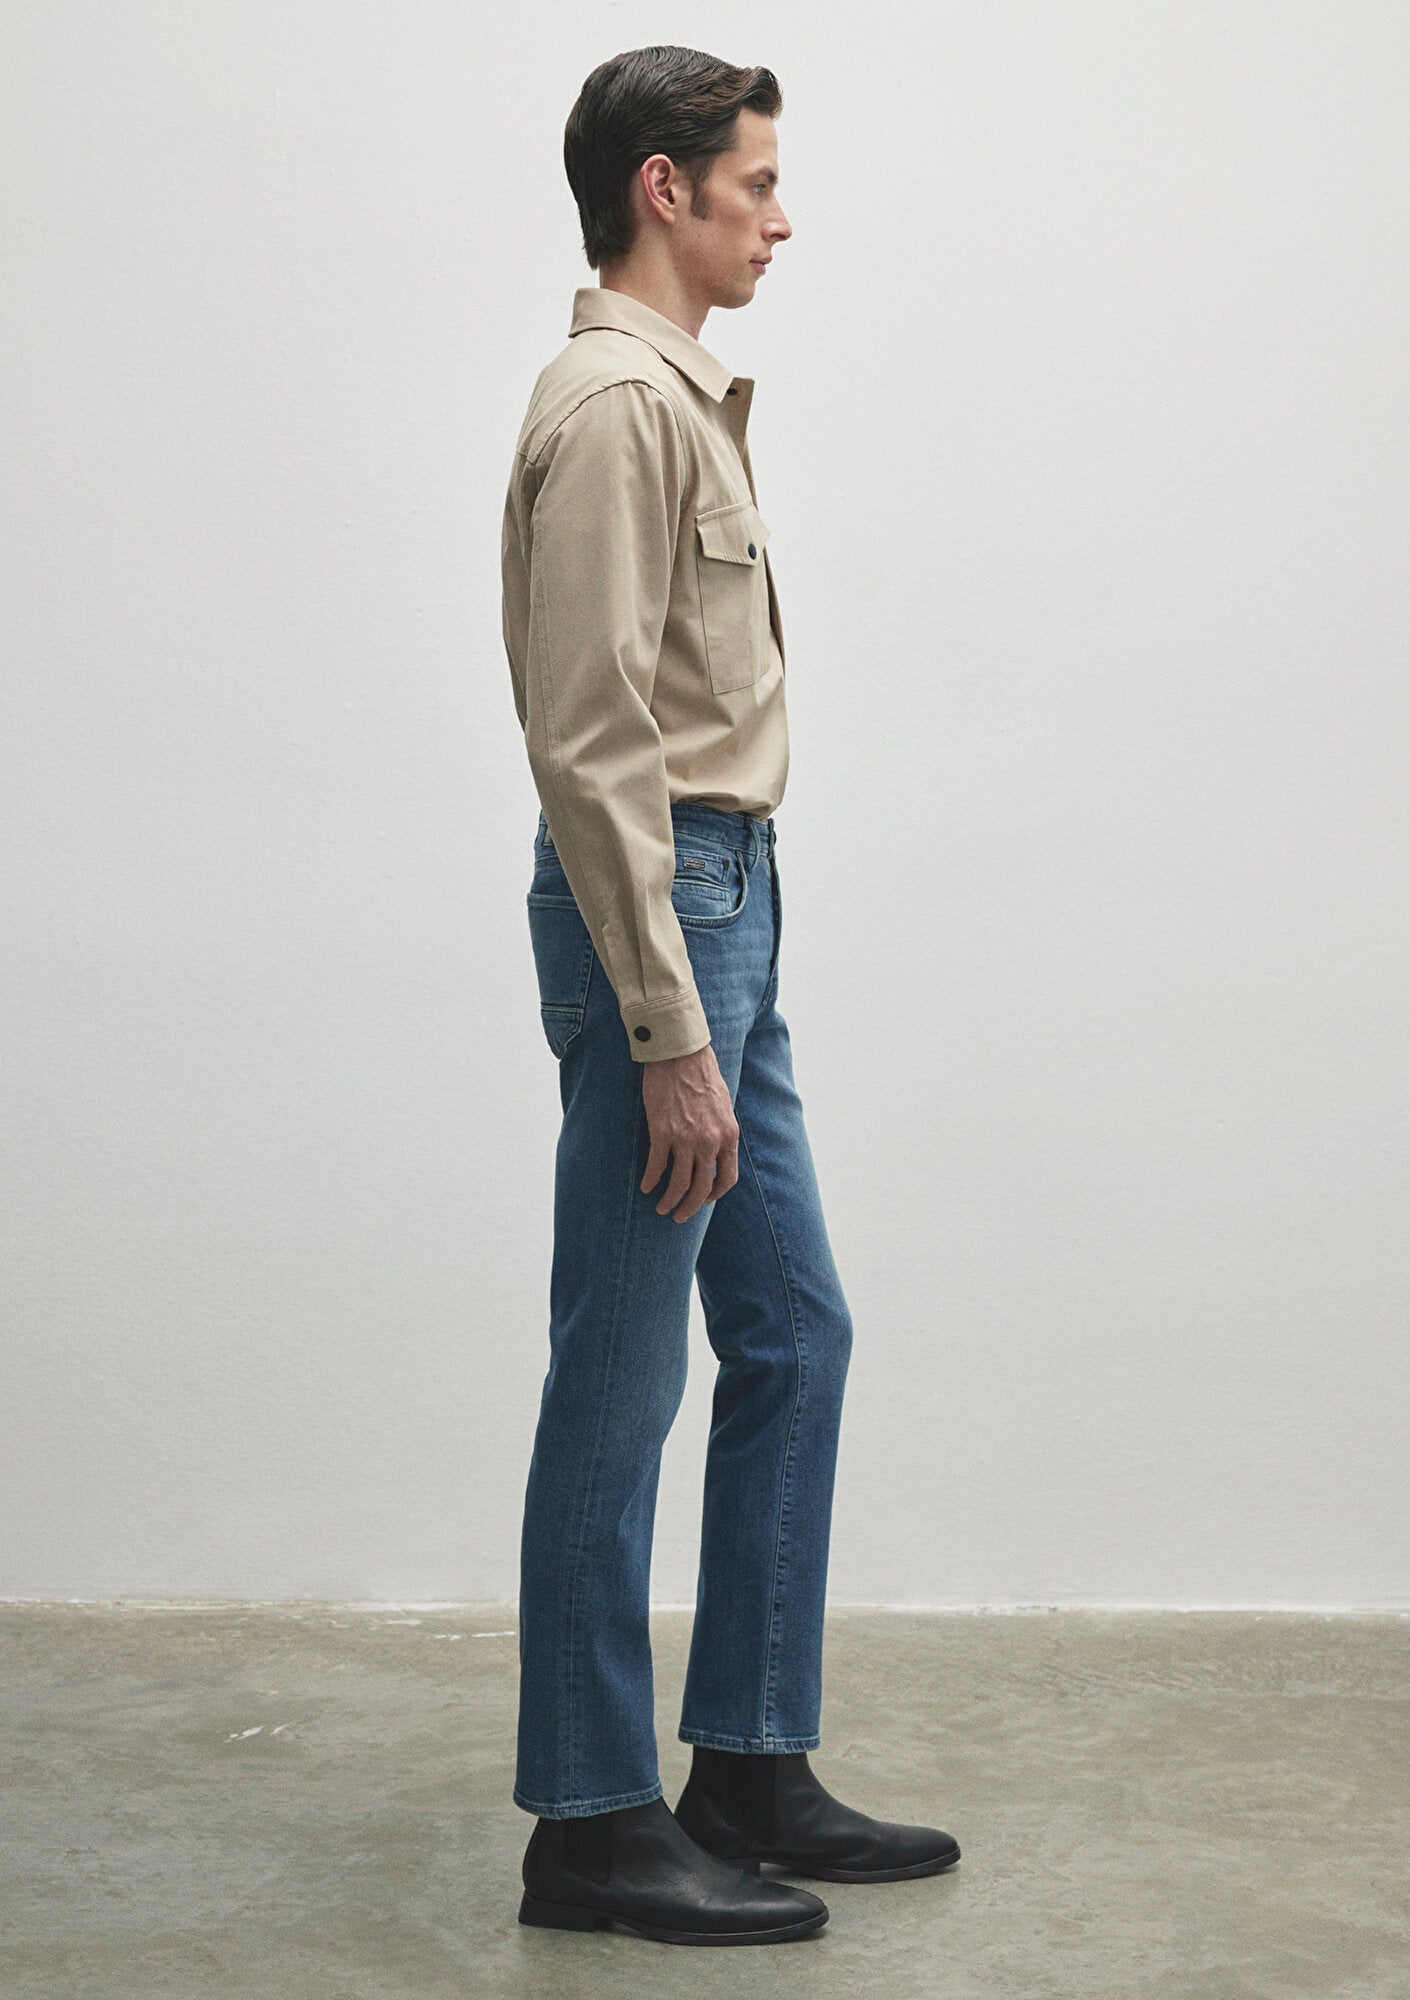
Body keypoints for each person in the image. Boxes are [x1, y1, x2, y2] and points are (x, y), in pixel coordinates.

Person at [499, 44, 959, 1947]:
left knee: (792, 1332)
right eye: (755, 182)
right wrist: (667, 1024)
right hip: (665, 921)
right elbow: (592, 738)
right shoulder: (619, 407)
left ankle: (747, 1762)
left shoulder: (679, 395)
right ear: (662, 190)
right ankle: (590, 1820)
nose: (781, 217)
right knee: (621, 1372)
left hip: (724, 898)